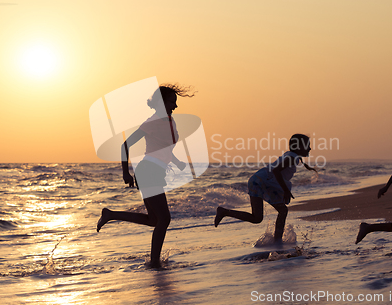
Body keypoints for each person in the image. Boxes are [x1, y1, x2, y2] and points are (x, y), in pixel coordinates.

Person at [97, 84, 194, 268]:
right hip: (148, 171)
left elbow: (163, 147)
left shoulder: (170, 121)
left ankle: (111, 214)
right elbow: (125, 145)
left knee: (154, 220)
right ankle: (154, 263)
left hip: (153, 172)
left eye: (175, 102)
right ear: (161, 102)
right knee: (164, 219)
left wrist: (177, 161)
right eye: (172, 102)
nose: (175, 106)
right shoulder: (151, 122)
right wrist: (125, 172)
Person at [214, 134, 317, 242]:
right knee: (280, 211)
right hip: (261, 183)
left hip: (258, 181)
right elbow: (276, 171)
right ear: (299, 147)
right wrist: (285, 190)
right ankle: (277, 241)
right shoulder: (292, 158)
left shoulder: (291, 156)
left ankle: (225, 212)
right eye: (308, 145)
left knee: (258, 217)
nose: (310, 148)